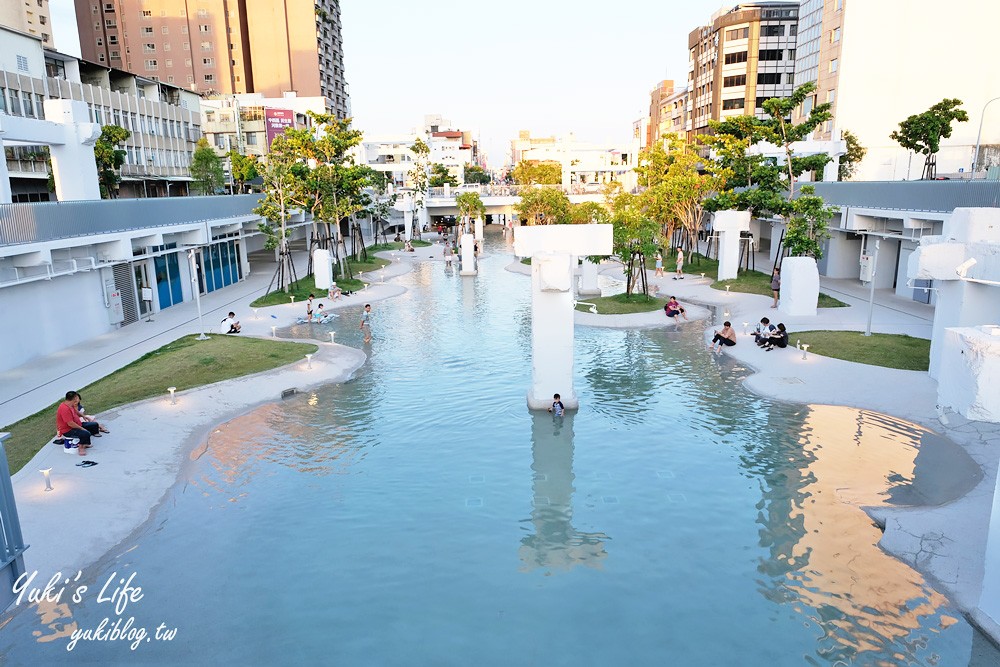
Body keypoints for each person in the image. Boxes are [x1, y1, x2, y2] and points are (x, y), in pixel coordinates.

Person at [56, 391, 92, 455]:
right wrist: (81, 428)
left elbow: (76, 412)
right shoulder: (65, 409)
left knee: (92, 426)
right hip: (67, 430)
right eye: (76, 397)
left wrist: (84, 416)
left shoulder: (70, 405)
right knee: (86, 433)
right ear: (74, 398)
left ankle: (84, 444)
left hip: (74, 426)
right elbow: (70, 423)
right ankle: (81, 448)